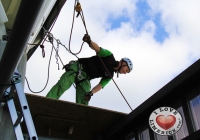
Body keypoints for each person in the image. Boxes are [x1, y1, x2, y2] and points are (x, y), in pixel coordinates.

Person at [46, 34, 133, 105]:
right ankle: (48, 102)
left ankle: (79, 119)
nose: (125, 73)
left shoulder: (110, 75)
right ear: (123, 63)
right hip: (79, 67)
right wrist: (89, 41)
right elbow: (97, 49)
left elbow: (100, 86)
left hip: (85, 78)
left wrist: (91, 93)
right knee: (63, 85)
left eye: (127, 72)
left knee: (84, 99)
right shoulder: (109, 56)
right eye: (127, 69)